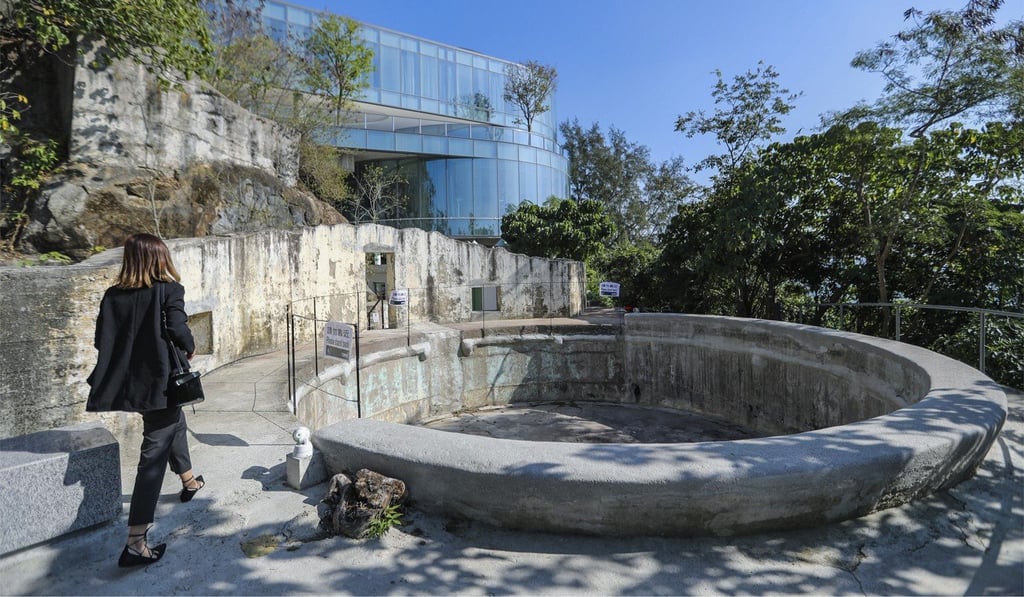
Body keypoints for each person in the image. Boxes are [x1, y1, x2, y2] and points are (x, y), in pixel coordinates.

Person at [86, 233, 205, 568]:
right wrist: (189, 347)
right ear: (158, 258)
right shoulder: (168, 290)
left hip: (129, 385)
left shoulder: (112, 296)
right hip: (162, 384)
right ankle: (136, 541)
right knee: (153, 455)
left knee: (173, 424)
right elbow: (178, 329)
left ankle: (189, 480)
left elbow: (101, 341)